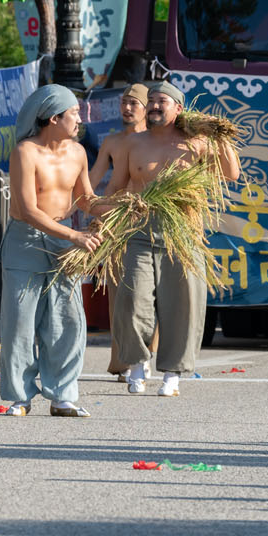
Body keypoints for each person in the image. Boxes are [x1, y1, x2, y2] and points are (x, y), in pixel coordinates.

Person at [109, 82, 240, 397]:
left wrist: (219, 135)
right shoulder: (133, 143)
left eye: (162, 101)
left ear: (179, 108)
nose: (154, 106)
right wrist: (104, 216)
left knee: (183, 303)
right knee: (131, 299)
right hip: (138, 231)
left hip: (182, 232)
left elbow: (230, 173)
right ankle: (137, 365)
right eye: (151, 101)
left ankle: (172, 374)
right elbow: (115, 187)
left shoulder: (196, 142)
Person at [0, 85, 101, 417]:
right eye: (74, 113)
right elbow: (29, 210)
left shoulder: (78, 152)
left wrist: (122, 205)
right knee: (20, 322)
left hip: (64, 242)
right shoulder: (25, 152)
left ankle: (63, 396)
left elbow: (86, 199)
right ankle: (20, 397)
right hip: (26, 240)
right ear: (53, 118)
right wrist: (74, 235)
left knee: (67, 321)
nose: (80, 120)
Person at [89, 84, 151, 380]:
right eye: (124, 102)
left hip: (149, 220)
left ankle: (146, 355)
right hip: (117, 222)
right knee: (119, 294)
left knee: (149, 295)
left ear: (147, 108)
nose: (127, 108)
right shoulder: (112, 142)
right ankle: (122, 360)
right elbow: (92, 181)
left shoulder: (156, 141)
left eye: (134, 103)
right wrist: (91, 207)